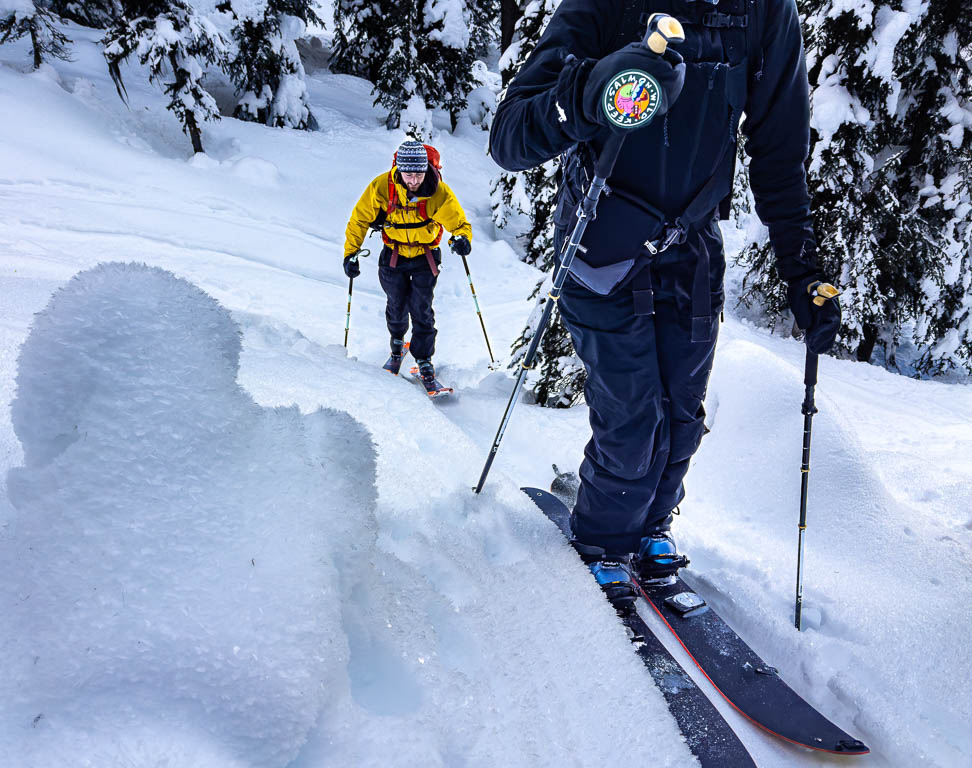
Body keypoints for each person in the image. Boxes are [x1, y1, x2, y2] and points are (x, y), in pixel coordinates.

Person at [489, 0, 842, 578]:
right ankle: (603, 544)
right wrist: (590, 93)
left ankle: (650, 524)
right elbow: (509, 137)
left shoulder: (764, 10)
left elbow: (780, 153)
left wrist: (802, 270)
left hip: (692, 248)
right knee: (632, 423)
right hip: (601, 242)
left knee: (681, 420)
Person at [343, 140, 473, 396]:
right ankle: (396, 346)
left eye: (419, 174)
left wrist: (462, 239)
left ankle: (424, 360)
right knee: (396, 304)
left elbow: (459, 223)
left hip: (425, 257)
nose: (414, 181)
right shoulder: (382, 187)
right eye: (409, 174)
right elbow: (359, 219)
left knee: (421, 308)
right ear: (399, 170)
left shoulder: (437, 191)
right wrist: (350, 253)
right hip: (393, 254)